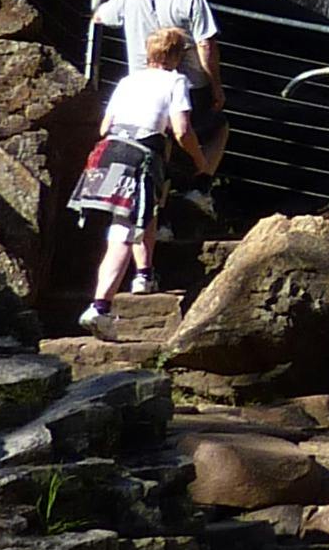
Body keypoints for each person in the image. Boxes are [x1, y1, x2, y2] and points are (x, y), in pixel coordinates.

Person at [71, 22, 221, 326]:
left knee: (143, 212)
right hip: (138, 157)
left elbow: (103, 127)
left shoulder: (128, 80)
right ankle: (99, 308)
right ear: (178, 56)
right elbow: (181, 130)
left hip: (108, 152)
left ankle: (144, 275)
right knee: (122, 233)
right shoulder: (175, 82)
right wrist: (200, 161)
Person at [92, 0, 222, 103]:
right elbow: (205, 45)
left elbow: (99, 17)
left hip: (143, 83)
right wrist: (216, 86)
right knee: (213, 127)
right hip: (188, 86)